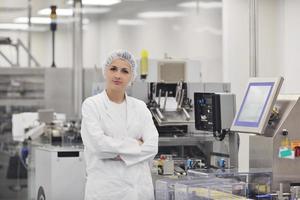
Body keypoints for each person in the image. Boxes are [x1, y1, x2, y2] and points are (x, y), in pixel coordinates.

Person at [81, 50, 159, 200]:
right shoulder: (92, 105)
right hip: (107, 191)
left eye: (124, 71)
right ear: (105, 72)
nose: (118, 75)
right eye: (113, 69)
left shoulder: (140, 107)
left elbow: (152, 146)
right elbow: (99, 147)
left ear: (132, 77)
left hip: (139, 190)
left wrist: (116, 152)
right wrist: (136, 145)